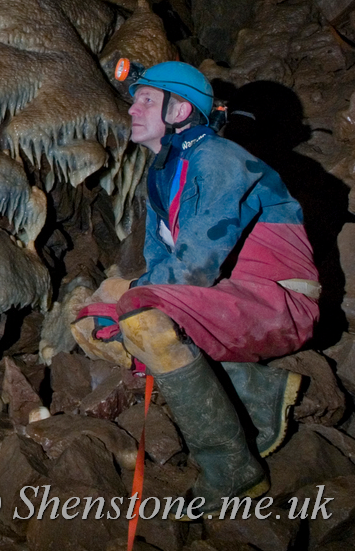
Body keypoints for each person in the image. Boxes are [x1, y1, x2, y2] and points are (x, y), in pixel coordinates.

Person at [72, 61, 321, 512]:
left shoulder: (217, 157)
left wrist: (133, 308)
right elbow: (158, 264)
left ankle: (232, 469)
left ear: (181, 109)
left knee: (141, 318)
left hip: (278, 299)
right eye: (135, 99)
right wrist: (121, 303)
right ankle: (257, 390)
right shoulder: (163, 174)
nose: (133, 108)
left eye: (146, 99)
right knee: (104, 300)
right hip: (230, 297)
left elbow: (194, 268)